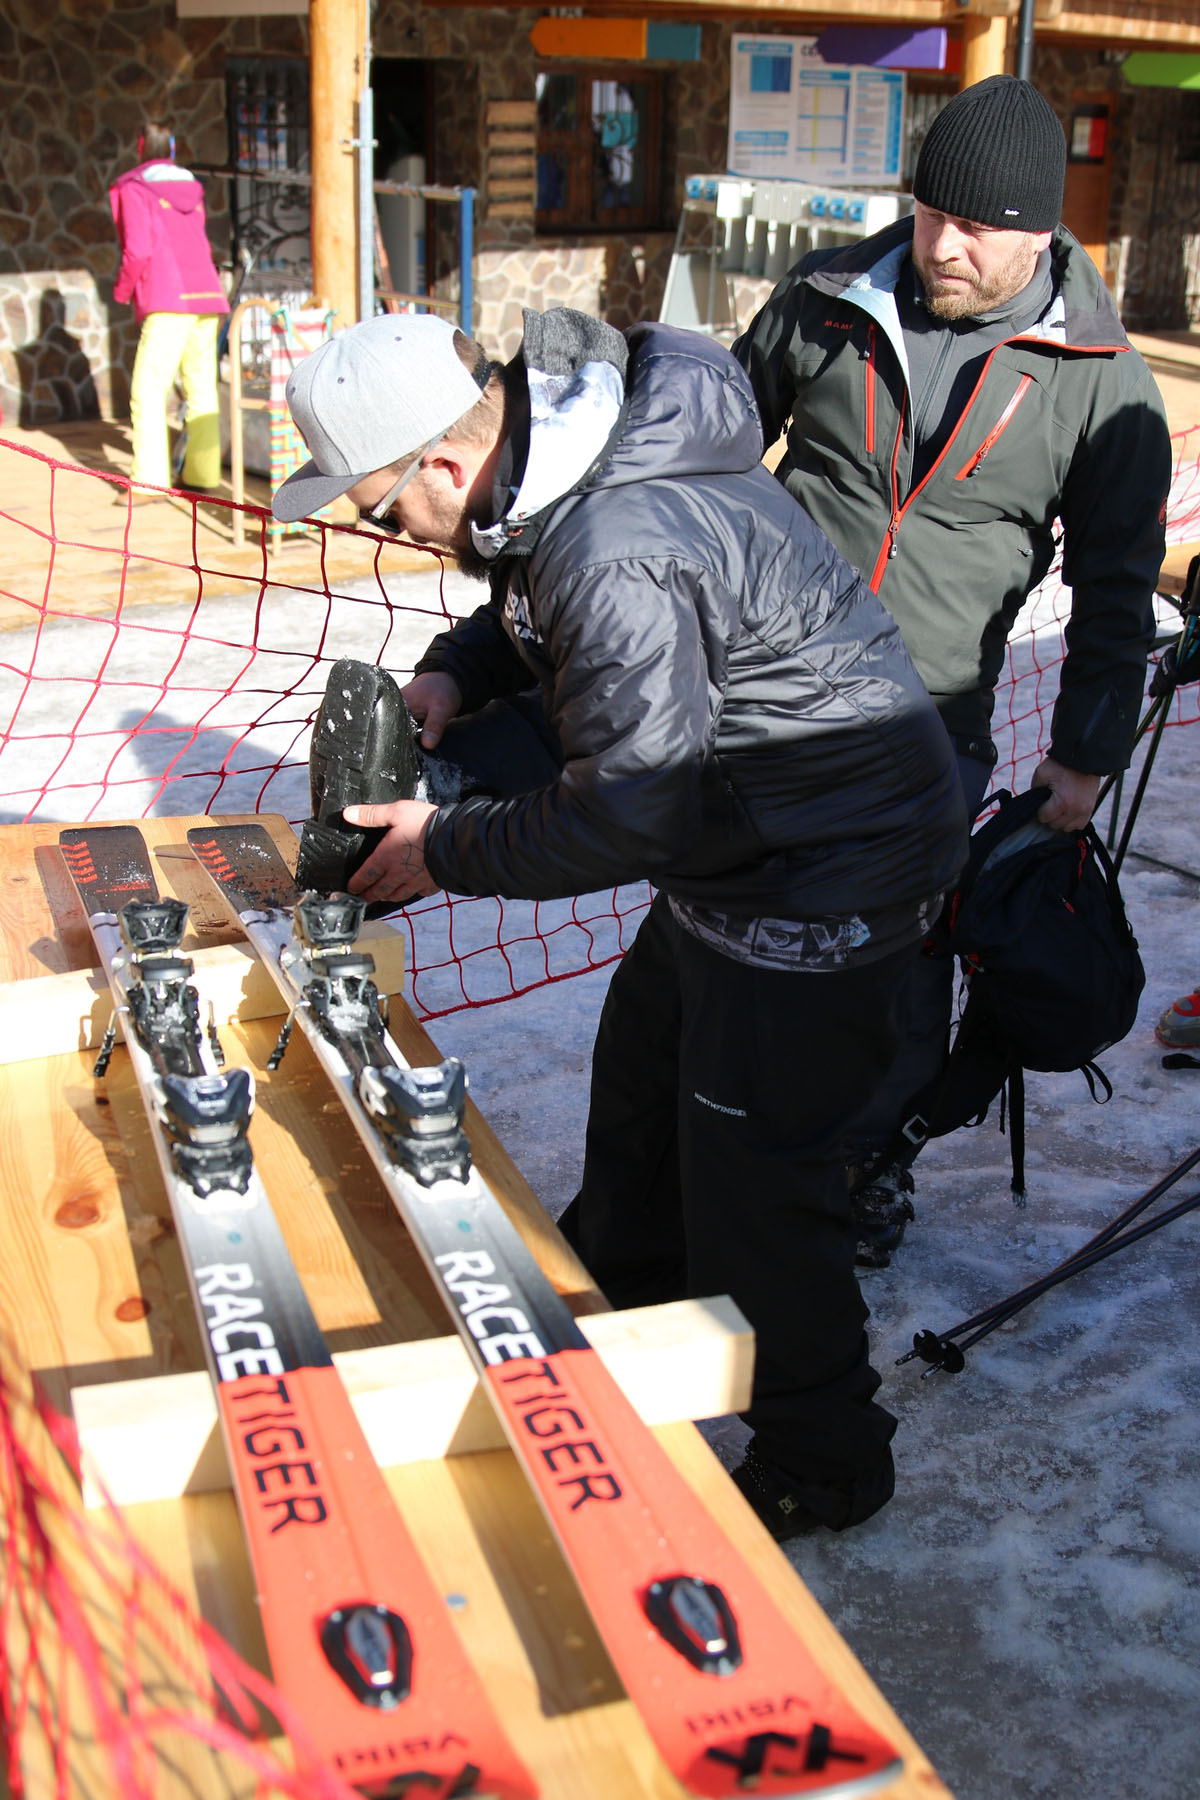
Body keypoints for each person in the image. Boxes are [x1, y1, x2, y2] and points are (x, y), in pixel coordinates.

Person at [271, 307, 967, 1536]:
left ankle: (826, 1458)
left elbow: (629, 812)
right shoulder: (563, 464)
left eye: (382, 510)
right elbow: (535, 608)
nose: (394, 533)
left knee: (758, 1190)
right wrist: (457, 670)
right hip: (742, 849)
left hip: (825, 880)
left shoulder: (613, 539)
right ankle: (616, 1329)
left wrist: (444, 845)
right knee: (642, 1105)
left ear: (448, 462)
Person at [732, 75, 1172, 1267]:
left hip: (928, 720)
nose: (940, 245)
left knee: (895, 961)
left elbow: (1117, 589)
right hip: (762, 686)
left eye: (973, 226)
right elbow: (706, 456)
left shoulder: (1099, 378)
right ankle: (716, 1132)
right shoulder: (826, 298)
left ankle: (868, 1160)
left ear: (1038, 232)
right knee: (726, 922)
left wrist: (1085, 755)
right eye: (929, 211)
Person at [109, 121, 229, 496]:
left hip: (168, 297)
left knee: (148, 389)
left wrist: (123, 291)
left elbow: (138, 249)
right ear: (173, 147)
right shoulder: (193, 188)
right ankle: (203, 475)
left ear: (141, 146)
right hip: (206, 295)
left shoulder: (135, 188)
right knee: (201, 388)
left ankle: (148, 482)